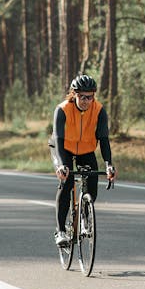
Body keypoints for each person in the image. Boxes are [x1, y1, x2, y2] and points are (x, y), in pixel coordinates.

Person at [51, 74, 116, 246]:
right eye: (82, 97)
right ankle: (61, 231)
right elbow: (57, 138)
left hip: (86, 149)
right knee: (67, 181)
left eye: (90, 97)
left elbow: (103, 139)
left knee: (92, 183)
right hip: (63, 147)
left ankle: (84, 219)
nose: (86, 101)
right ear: (74, 95)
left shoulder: (99, 110)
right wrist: (62, 165)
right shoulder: (62, 109)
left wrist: (109, 165)